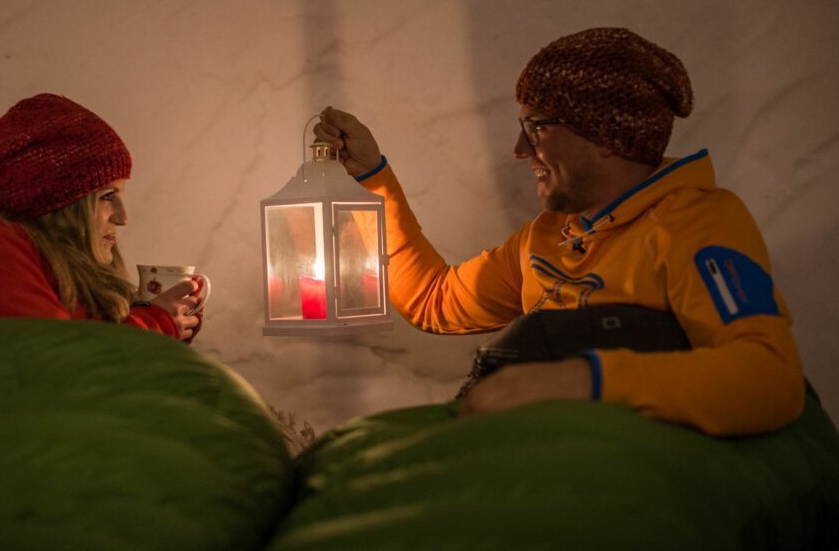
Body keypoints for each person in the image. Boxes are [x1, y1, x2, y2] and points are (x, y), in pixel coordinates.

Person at [314, 27, 805, 436]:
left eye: (537, 128)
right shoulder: (547, 237)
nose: (519, 150)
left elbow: (770, 379)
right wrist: (373, 177)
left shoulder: (696, 224)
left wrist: (581, 380)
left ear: (606, 135)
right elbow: (433, 300)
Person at [0, 93, 203, 342]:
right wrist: (156, 324)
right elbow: (56, 366)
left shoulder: (56, 259)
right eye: (107, 197)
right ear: (60, 203)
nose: (123, 218)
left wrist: (169, 324)